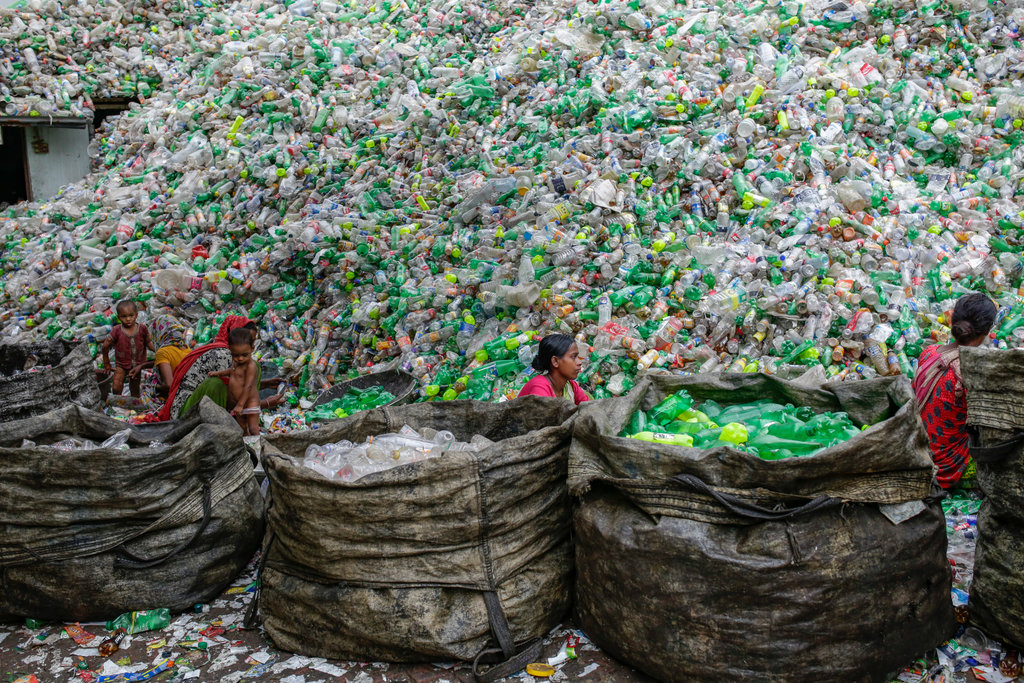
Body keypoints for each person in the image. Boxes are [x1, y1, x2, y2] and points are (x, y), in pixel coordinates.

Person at [912, 293, 998, 489]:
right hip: (946, 467)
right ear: (986, 331)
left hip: (917, 448)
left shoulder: (930, 352)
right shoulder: (970, 374)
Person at [155, 315, 284, 421]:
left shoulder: (228, 352)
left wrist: (265, 385)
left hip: (199, 402)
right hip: (185, 412)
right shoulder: (222, 354)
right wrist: (265, 403)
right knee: (216, 384)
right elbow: (232, 399)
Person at [207, 328, 261, 435]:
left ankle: (261, 448)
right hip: (238, 404)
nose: (240, 358)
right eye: (236, 355)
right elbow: (232, 371)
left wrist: (240, 404)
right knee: (242, 429)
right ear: (230, 350)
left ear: (252, 349)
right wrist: (218, 373)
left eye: (244, 355)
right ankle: (249, 448)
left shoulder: (251, 366)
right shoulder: (236, 363)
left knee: (253, 428)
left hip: (249, 403)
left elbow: (248, 386)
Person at [100, 300, 154, 398]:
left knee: (134, 389)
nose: (128, 319)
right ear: (119, 317)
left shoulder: (142, 328)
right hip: (121, 364)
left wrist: (156, 350)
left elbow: (148, 342)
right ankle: (117, 404)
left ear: (136, 315)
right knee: (116, 387)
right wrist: (106, 363)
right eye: (124, 316)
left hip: (137, 366)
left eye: (131, 315)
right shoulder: (117, 330)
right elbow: (105, 346)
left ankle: (132, 408)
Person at [518, 334, 590, 405]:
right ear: (555, 361)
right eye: (574, 357)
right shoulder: (539, 388)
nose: (580, 362)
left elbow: (588, 406)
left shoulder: (570, 386)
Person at [143, 315, 192, 396]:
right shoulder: (187, 349)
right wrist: (142, 366)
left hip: (174, 397)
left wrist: (153, 386)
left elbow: (169, 386)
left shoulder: (163, 352)